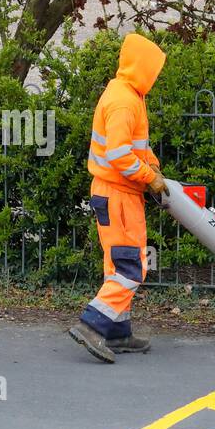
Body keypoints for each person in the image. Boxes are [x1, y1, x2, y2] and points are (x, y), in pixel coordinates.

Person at [68, 32, 168, 364]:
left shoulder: (128, 94)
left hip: (117, 194)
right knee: (130, 266)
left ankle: (118, 332)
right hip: (118, 195)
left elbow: (136, 147)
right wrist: (149, 177)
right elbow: (121, 157)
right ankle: (92, 326)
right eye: (154, 70)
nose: (155, 77)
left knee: (118, 264)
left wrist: (152, 165)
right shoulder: (124, 101)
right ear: (143, 69)